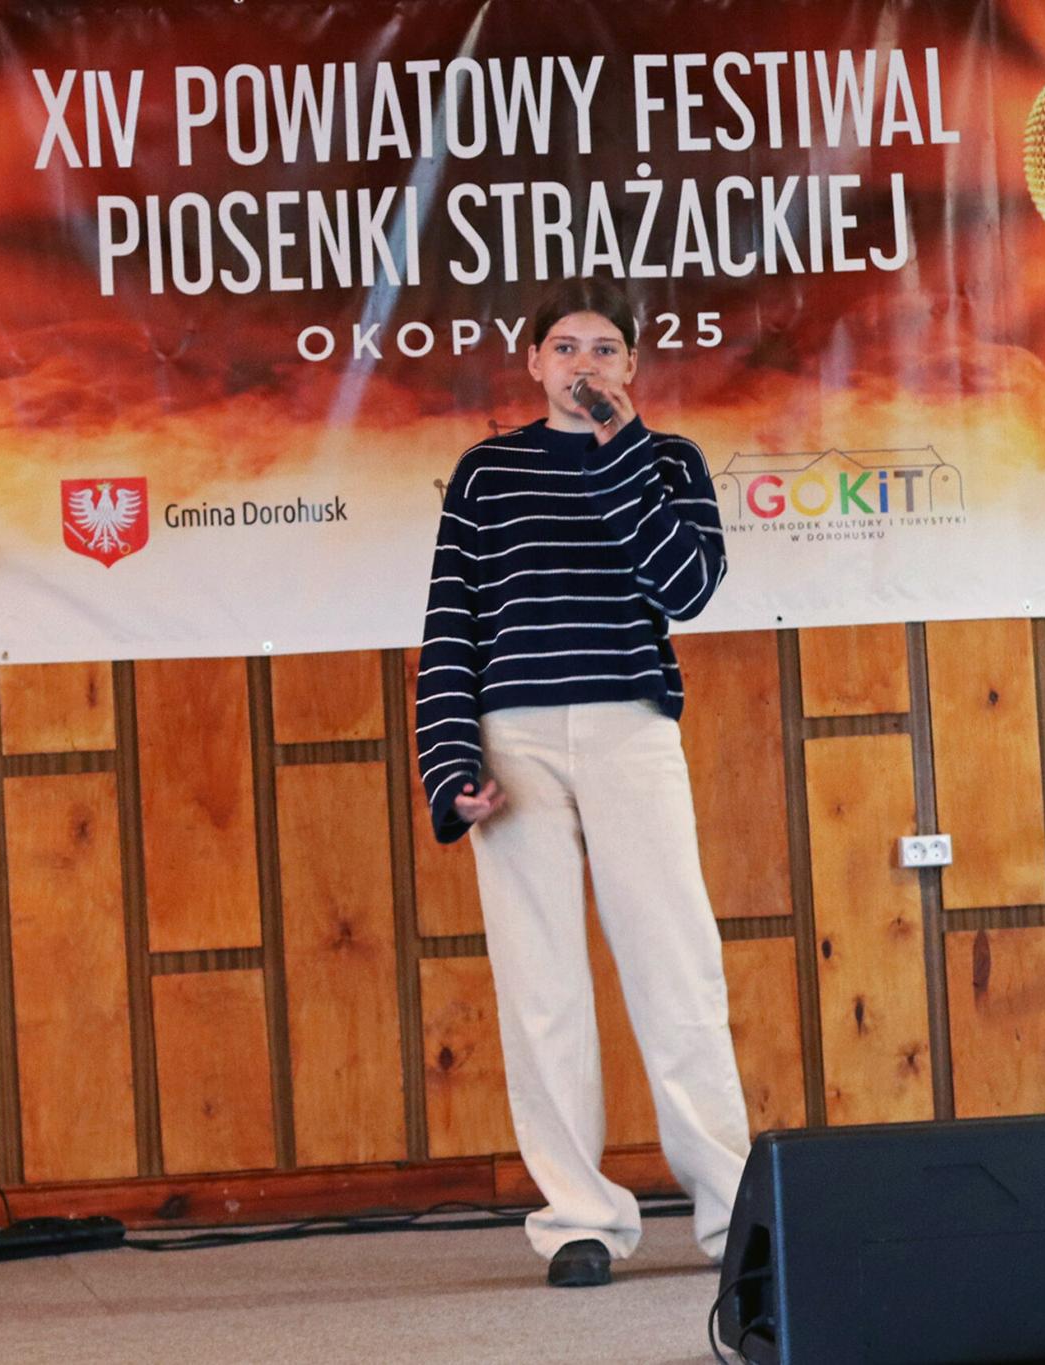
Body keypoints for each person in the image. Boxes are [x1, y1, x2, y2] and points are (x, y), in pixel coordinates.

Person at [414, 277, 750, 1289]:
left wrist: (620, 448)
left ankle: (734, 1215)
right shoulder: (486, 471)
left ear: (630, 366)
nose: (584, 364)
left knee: (676, 966)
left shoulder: (667, 460)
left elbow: (684, 587)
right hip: (512, 736)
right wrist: (451, 763)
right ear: (533, 363)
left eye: (604, 349)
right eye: (565, 347)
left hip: (628, 726)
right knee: (541, 982)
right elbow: (451, 624)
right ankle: (577, 1220)